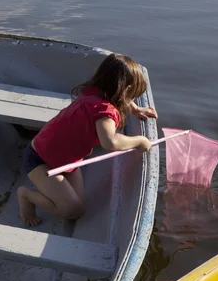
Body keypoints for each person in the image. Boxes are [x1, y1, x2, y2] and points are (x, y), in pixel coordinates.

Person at [17, 53, 159, 226]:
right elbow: (111, 142)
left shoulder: (96, 91)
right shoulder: (104, 112)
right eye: (133, 96)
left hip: (66, 161)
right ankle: (26, 195)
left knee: (77, 204)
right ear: (126, 90)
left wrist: (135, 109)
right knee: (73, 210)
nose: (133, 100)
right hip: (39, 159)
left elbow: (122, 97)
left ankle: (53, 189)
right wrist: (140, 141)